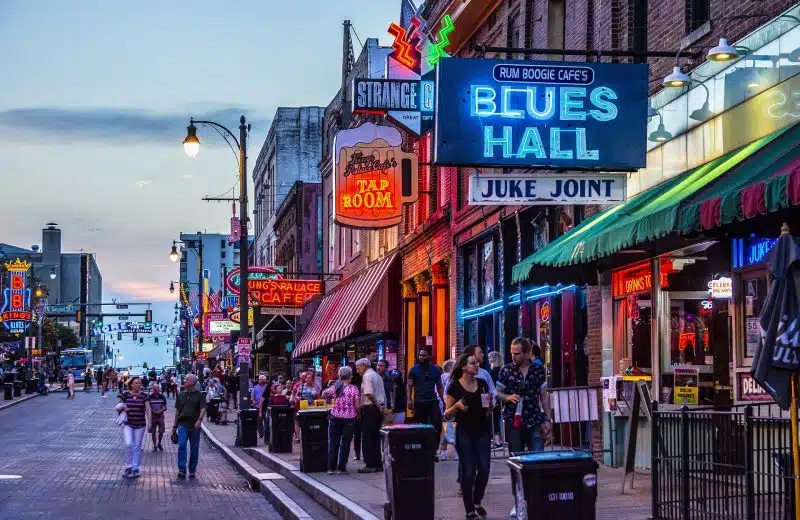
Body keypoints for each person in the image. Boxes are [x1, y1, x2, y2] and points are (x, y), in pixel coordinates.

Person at [444, 353, 492, 520]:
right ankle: (469, 509)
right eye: (473, 363)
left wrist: (490, 405)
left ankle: (477, 499)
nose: (476, 365)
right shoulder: (454, 387)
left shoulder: (483, 384)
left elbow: (487, 409)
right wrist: (456, 406)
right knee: (469, 471)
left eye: (477, 363)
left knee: (485, 469)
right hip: (464, 431)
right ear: (463, 366)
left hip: (482, 431)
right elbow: (447, 414)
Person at [496, 337, 552, 454]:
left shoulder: (538, 370)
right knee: (517, 457)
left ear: (527, 353)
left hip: (534, 418)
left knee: (537, 456)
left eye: (517, 353)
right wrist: (507, 397)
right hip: (513, 420)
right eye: (512, 353)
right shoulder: (506, 370)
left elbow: (544, 396)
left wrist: (548, 419)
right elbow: (497, 392)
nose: (513, 356)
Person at [322, 366, 361, 475]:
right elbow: (357, 405)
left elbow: (324, 394)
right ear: (350, 376)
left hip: (335, 417)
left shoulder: (335, 387)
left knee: (333, 443)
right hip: (349, 419)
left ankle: (330, 468)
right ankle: (341, 468)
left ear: (339, 375)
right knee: (345, 443)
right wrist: (358, 415)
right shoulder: (354, 389)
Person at [407, 348, 444, 460]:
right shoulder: (413, 370)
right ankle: (420, 450)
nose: (421, 357)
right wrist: (409, 399)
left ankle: (434, 451)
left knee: (436, 425)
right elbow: (409, 386)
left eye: (424, 355)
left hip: (432, 401)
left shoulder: (435, 370)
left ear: (429, 356)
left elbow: (440, 386)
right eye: (420, 355)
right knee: (419, 427)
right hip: (419, 402)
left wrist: (444, 400)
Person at [172, 374, 206, 479]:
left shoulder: (199, 395)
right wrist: (174, 426)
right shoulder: (181, 394)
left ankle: (192, 470)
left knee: (194, 448)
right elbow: (177, 411)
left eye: (187, 379)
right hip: (183, 424)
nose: (184, 380)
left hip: (194, 425)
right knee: (181, 445)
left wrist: (200, 420)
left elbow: (203, 409)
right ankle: (182, 469)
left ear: (192, 382)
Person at [355, 357, 385, 473]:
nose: (358, 371)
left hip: (370, 408)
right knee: (375, 437)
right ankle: (377, 463)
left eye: (358, 368)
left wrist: (377, 406)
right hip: (377, 409)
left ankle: (370, 464)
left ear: (364, 366)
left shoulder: (367, 376)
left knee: (367, 437)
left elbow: (369, 393)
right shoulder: (377, 375)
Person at [118, 376, 150, 479]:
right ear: (131, 384)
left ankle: (135, 468)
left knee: (137, 446)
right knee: (128, 444)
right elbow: (118, 406)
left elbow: (148, 410)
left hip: (140, 424)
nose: (138, 385)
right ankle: (128, 466)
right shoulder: (125, 395)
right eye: (136, 383)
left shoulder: (144, 396)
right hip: (128, 423)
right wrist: (123, 408)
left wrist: (150, 423)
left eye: (139, 383)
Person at [439, 359, 457, 461]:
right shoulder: (452, 377)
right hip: (451, 405)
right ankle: (452, 451)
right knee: (451, 427)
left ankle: (443, 451)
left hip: (444, 405)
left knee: (447, 427)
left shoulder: (441, 378)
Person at [488, 351, 504, 449]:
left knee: (493, 419)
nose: (488, 360)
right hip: (502, 397)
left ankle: (498, 441)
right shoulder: (503, 370)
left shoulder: (494, 371)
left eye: (490, 358)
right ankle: (500, 440)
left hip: (496, 398)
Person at [149, 381, 167, 451]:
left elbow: (165, 407)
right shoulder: (150, 397)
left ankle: (159, 443)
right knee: (153, 432)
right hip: (153, 416)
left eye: (158, 388)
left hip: (160, 416)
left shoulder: (162, 397)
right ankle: (154, 446)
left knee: (161, 431)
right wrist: (152, 410)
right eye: (156, 388)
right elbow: (148, 407)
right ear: (153, 389)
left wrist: (161, 410)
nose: (158, 389)